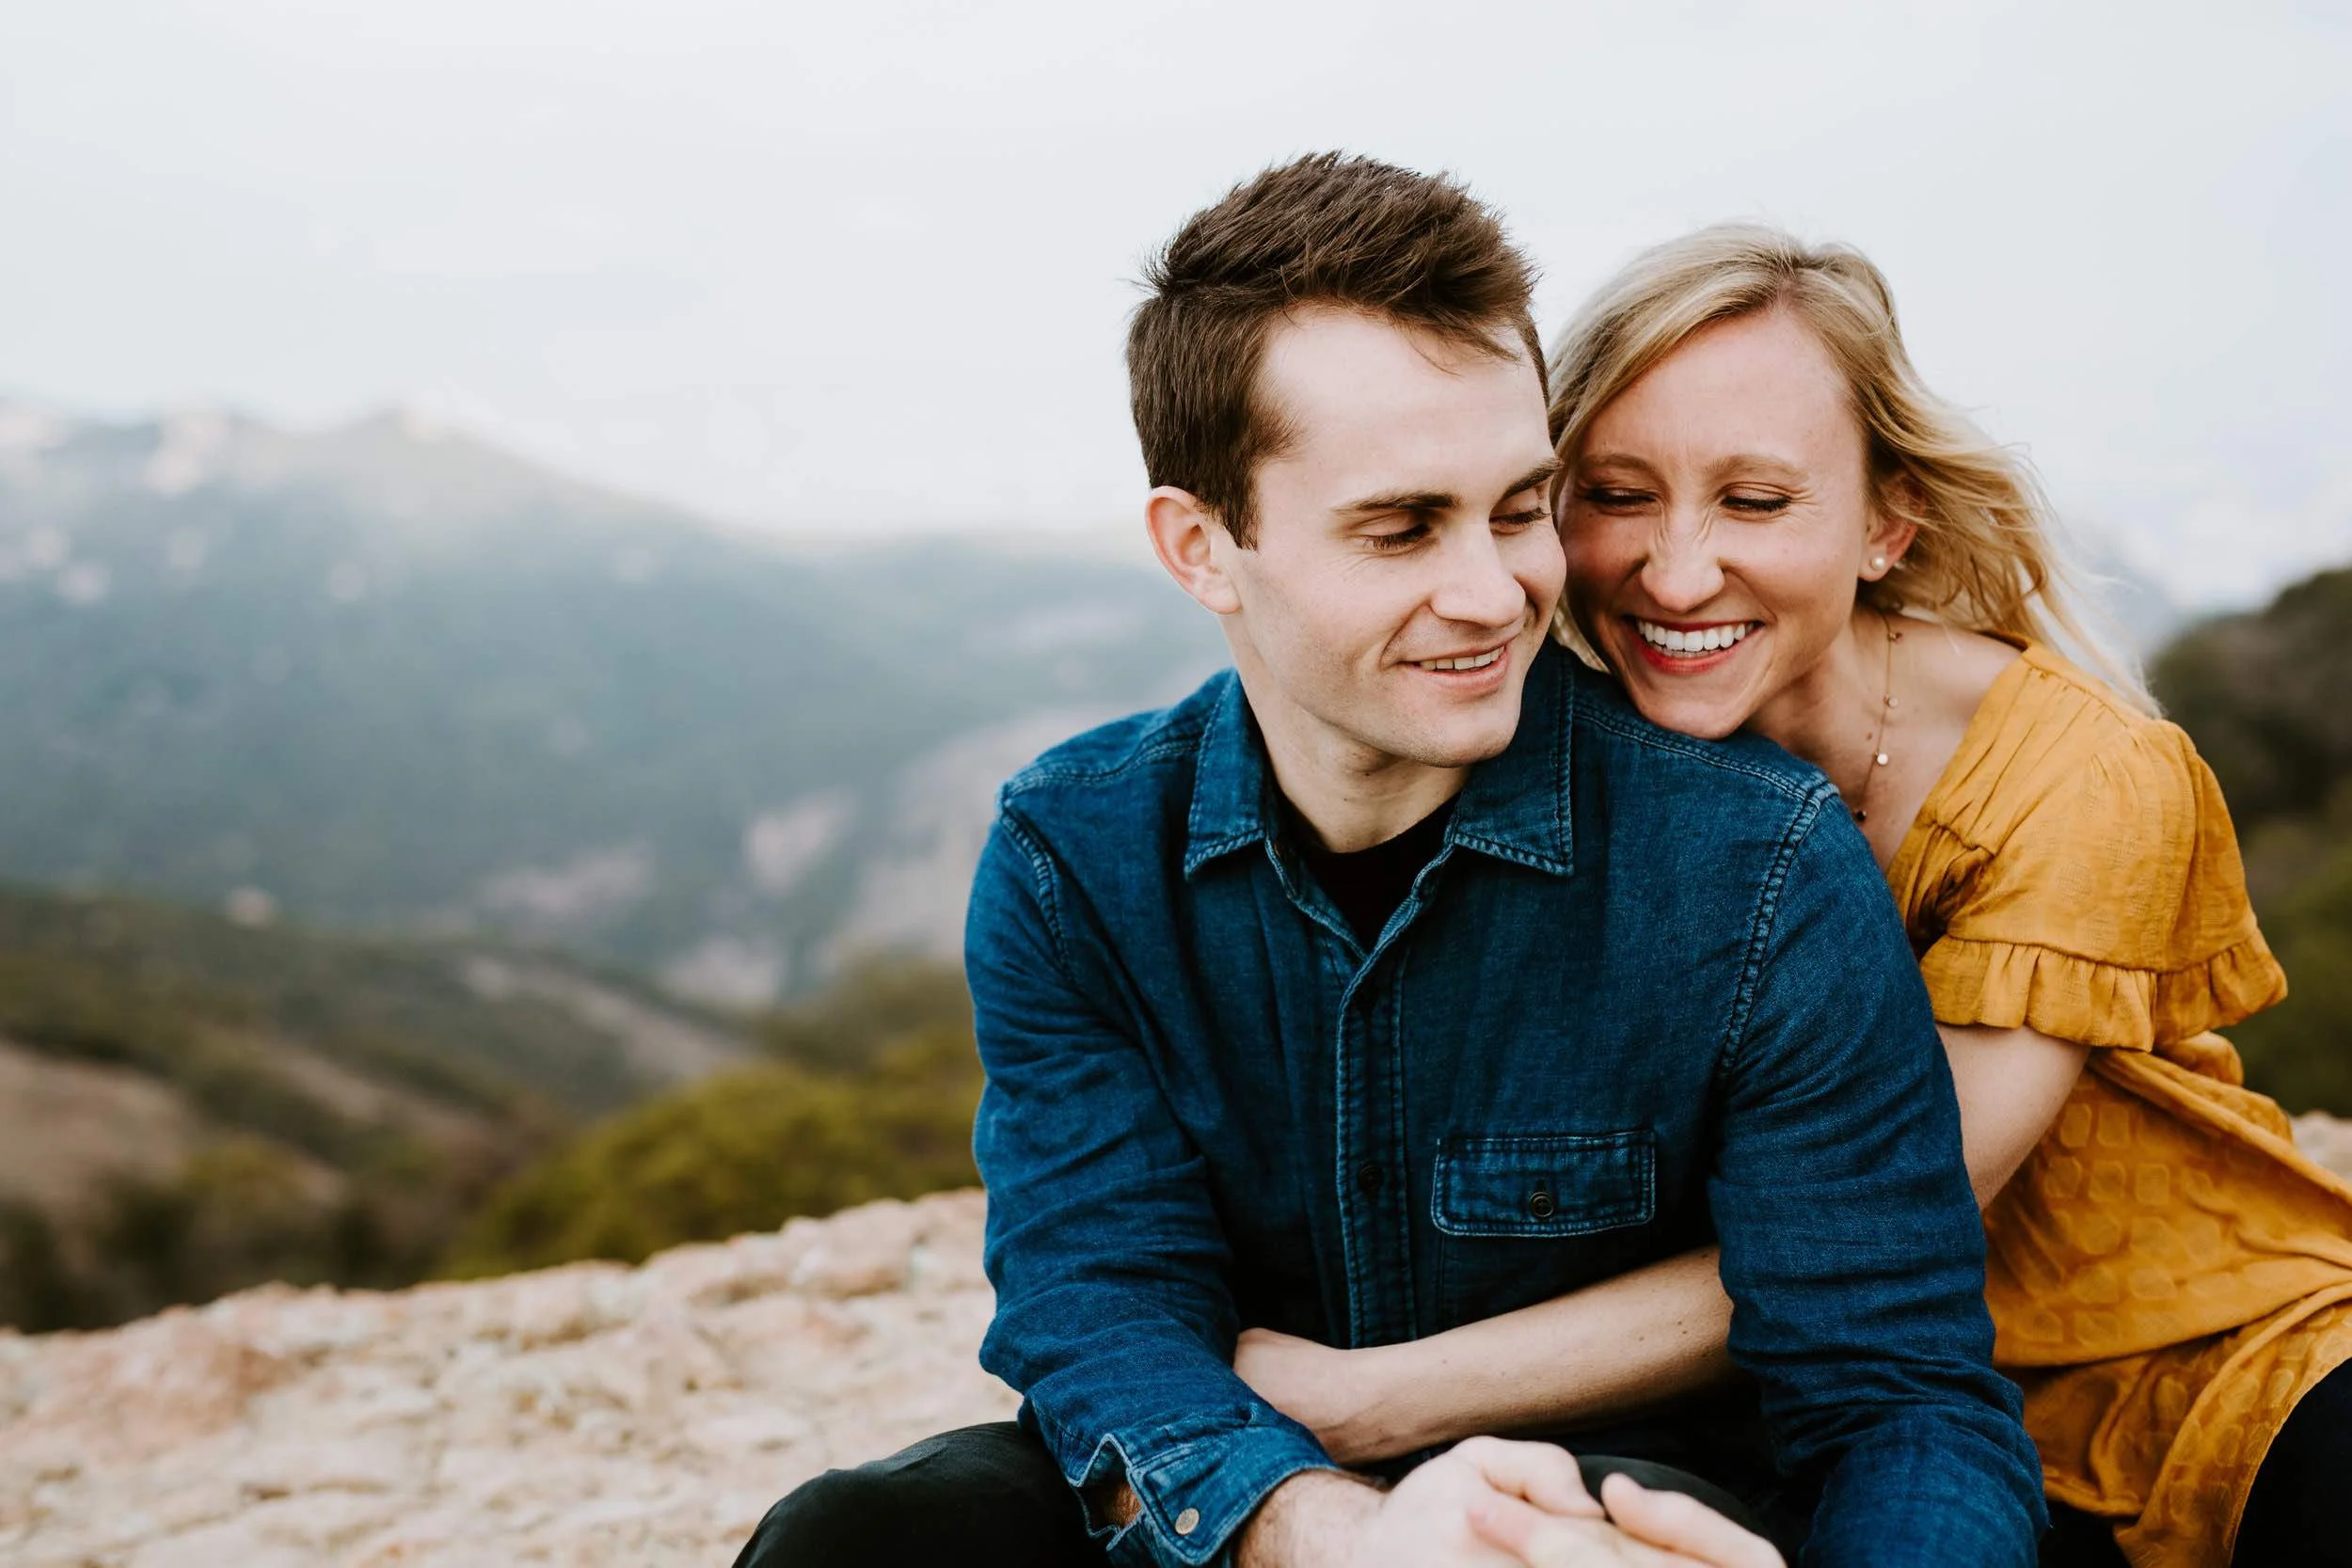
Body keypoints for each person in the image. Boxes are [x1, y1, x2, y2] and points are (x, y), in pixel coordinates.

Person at [732, 157, 2043, 1568]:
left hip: (1616, 1524)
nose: (1494, 594)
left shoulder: (1759, 863)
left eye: (1519, 508)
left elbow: (1900, 1399)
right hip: (1248, 1507)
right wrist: (1339, 1535)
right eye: (1402, 528)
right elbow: (1104, 1308)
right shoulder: (1079, 856)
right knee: (852, 1541)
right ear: (1203, 546)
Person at [1233, 224, 2352, 1568]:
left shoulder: (2081, 778)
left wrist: (1371, 1397)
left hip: (2192, 1359)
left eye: (1756, 502)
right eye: (1616, 495)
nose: (1675, 572)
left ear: (1887, 521)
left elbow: (1863, 1244)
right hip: (1806, 1418)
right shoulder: (1534, 750)